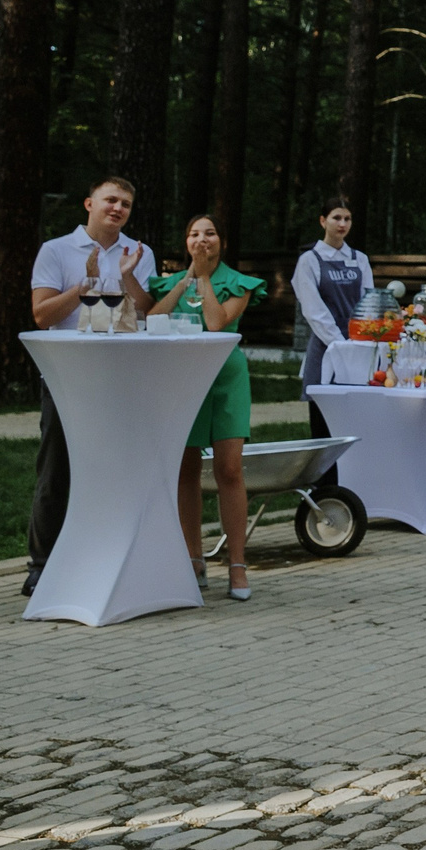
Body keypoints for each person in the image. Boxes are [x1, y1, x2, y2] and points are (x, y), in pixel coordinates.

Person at [24, 176, 151, 595]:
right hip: (68, 377)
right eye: (110, 200)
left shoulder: (139, 252)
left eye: (126, 204)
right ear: (89, 204)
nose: (118, 209)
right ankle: (42, 568)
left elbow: (147, 313)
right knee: (56, 472)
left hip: (121, 377)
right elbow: (42, 315)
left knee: (114, 473)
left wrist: (128, 277)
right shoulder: (57, 250)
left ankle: (102, 563)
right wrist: (85, 286)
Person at [149, 215, 264, 600]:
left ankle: (236, 564)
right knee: (186, 469)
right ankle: (193, 560)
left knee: (229, 469)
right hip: (183, 379)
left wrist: (204, 279)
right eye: (195, 234)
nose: (202, 239)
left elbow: (216, 324)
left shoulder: (240, 283)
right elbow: (152, 319)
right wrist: (186, 279)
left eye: (210, 233)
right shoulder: (170, 283)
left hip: (226, 378)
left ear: (222, 242)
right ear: (186, 242)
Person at [293, 197, 372, 485]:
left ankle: (356, 485)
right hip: (326, 353)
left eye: (347, 219)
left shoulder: (359, 259)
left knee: (355, 423)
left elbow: (369, 302)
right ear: (322, 221)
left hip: (358, 350)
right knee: (323, 428)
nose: (342, 224)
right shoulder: (309, 261)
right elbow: (313, 310)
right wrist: (340, 344)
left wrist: (360, 340)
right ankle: (325, 491)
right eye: (337, 218)